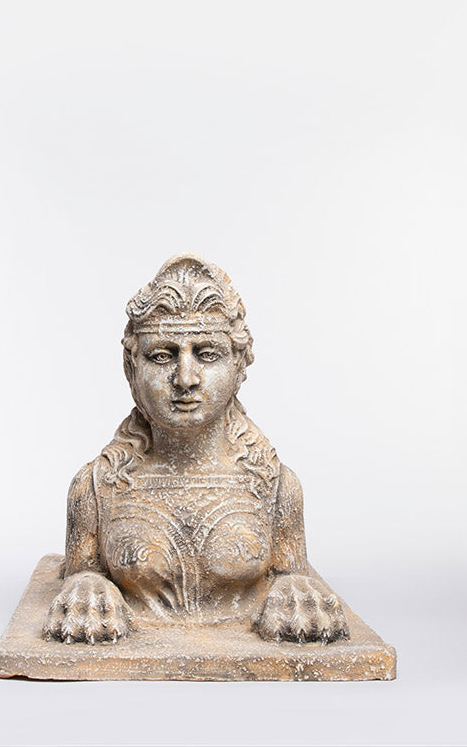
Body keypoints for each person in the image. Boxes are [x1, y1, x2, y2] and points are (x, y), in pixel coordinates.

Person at [42, 254, 349, 645]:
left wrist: (293, 586)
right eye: (161, 355)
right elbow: (79, 575)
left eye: (207, 355)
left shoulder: (274, 487)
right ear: (131, 368)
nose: (185, 379)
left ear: (239, 366)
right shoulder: (96, 488)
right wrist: (87, 584)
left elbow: (293, 576)